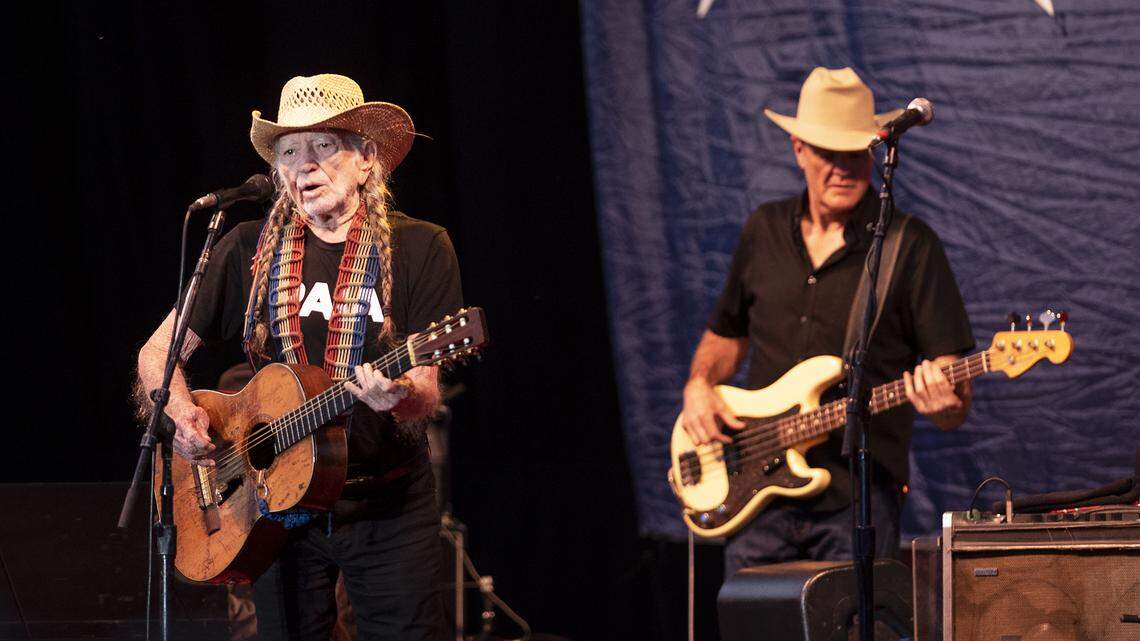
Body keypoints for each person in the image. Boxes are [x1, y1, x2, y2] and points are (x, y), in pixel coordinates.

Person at [136, 73, 462, 640]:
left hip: (384, 503)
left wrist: (400, 396)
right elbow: (158, 352)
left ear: (366, 159)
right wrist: (182, 415)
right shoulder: (243, 247)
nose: (303, 164)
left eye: (323, 145)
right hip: (276, 509)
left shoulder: (420, 246)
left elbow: (427, 386)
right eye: (288, 151)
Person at [680, 67, 974, 576]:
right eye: (826, 153)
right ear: (798, 149)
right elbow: (724, 335)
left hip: (856, 503)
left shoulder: (909, 245)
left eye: (854, 152)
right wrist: (699, 385)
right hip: (755, 495)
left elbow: (953, 397)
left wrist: (945, 402)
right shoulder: (764, 229)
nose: (842, 168)